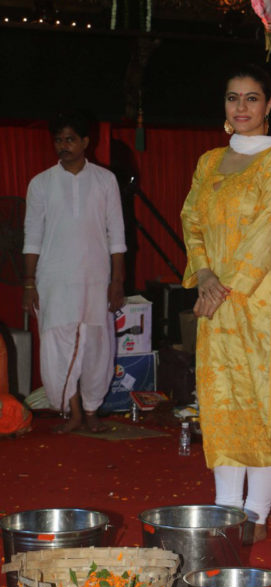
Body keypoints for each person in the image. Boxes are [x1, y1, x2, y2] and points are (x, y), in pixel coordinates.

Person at [181, 64, 271, 544]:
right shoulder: (208, 162)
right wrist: (203, 275)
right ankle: (225, 511)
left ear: (269, 105)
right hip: (214, 297)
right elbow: (191, 219)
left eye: (251, 99)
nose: (240, 108)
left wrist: (225, 286)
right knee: (221, 402)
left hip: (263, 301)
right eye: (232, 97)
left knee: (261, 402)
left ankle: (256, 515)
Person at [22, 110, 127, 433]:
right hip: (54, 279)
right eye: (58, 139)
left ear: (85, 142)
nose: (62, 145)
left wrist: (117, 282)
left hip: (96, 279)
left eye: (69, 139)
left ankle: (92, 411)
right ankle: (74, 412)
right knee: (58, 345)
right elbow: (32, 237)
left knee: (96, 345)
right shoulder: (40, 183)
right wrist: (28, 283)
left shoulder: (105, 180)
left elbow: (117, 235)